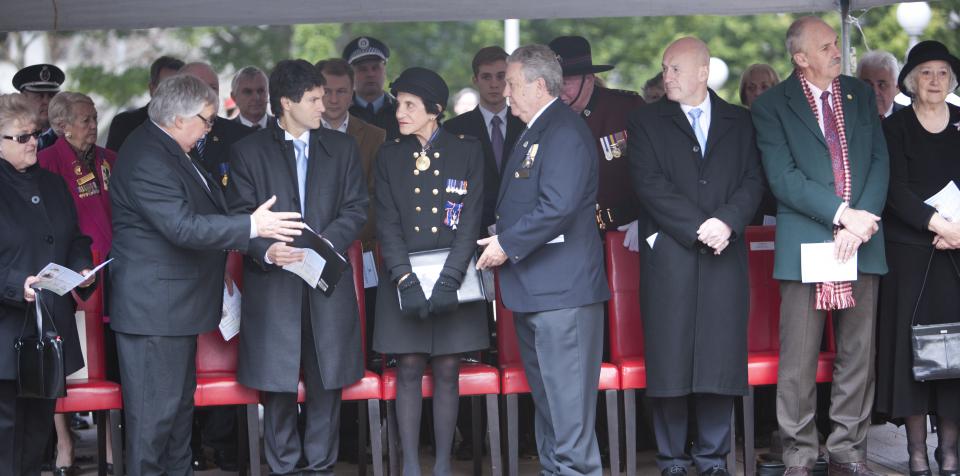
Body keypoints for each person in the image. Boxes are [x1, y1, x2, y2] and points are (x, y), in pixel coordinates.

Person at [108, 73, 304, 476]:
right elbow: (183, 227)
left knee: (177, 420)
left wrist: (261, 243)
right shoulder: (147, 155)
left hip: (173, 310)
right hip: (153, 312)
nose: (211, 127)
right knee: (152, 426)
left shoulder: (174, 149)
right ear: (179, 118)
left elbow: (211, 217)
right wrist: (253, 227)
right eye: (207, 119)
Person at [751, 16, 889, 476]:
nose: (837, 51)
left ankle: (848, 449)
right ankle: (799, 453)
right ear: (801, 58)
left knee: (858, 353)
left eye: (836, 43)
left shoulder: (859, 94)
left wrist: (858, 223)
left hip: (862, 239)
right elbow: (782, 177)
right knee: (799, 358)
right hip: (807, 242)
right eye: (827, 46)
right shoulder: (772, 105)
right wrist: (840, 214)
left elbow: (877, 160)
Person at [627, 37, 765, 476]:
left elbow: (753, 180)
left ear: (703, 73)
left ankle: (711, 459)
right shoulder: (647, 121)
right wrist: (697, 227)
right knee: (670, 358)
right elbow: (648, 183)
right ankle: (671, 460)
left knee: (718, 359)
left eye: (675, 69)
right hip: (671, 254)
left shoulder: (740, 122)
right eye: (665, 68)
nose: (666, 76)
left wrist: (726, 222)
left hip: (725, 253)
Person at [226, 58, 369, 475]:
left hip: (326, 279)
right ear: (286, 103)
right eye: (314, 99)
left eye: (323, 97)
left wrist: (323, 246)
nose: (323, 106)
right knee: (278, 385)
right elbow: (238, 217)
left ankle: (322, 465)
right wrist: (267, 251)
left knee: (328, 380)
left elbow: (357, 208)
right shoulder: (247, 151)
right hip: (274, 282)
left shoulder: (341, 148)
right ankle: (284, 467)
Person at [477, 44, 610, 476]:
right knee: (552, 412)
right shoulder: (539, 128)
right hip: (541, 291)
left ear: (537, 85)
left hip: (562, 294)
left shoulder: (563, 131)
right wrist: (503, 234)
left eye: (512, 83)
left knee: (568, 416)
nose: (504, 92)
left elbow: (557, 205)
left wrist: (505, 244)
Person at [372, 67, 487, 476]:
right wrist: (405, 279)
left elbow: (470, 221)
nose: (399, 112)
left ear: (435, 110)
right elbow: (386, 224)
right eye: (398, 104)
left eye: (409, 105)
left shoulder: (467, 151)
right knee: (407, 366)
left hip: (452, 277)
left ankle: (441, 464)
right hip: (405, 280)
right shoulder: (389, 155)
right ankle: (409, 465)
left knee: (448, 368)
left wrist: (450, 280)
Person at [875, 40, 960, 476]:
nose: (934, 81)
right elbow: (895, 192)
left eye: (942, 73)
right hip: (910, 257)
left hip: (956, 256)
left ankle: (948, 453)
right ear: (911, 80)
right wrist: (939, 225)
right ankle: (913, 454)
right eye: (926, 73)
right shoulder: (896, 127)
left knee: (952, 357)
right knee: (913, 358)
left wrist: (957, 232)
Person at [0, 92, 94, 476]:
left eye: (34, 134)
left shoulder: (54, 184)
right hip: (6, 331)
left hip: (47, 328)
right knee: (6, 430)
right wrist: (13, 283)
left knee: (38, 431)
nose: (32, 143)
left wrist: (82, 267)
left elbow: (75, 239)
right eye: (20, 137)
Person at [38, 92, 118, 474]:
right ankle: (65, 443)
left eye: (94, 116)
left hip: (114, 273)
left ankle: (108, 444)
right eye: (85, 119)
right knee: (63, 366)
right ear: (61, 126)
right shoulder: (46, 163)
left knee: (110, 363)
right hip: (70, 277)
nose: (93, 124)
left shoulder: (109, 160)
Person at [548, 35, 646, 249]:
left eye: (565, 83)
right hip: (568, 238)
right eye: (554, 84)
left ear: (589, 79)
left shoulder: (626, 108)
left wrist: (648, 221)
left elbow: (656, 171)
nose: (559, 92)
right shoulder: (549, 118)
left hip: (623, 232)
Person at [444, 46, 525, 232]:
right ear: (475, 80)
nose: (494, 84)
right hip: (472, 231)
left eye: (501, 76)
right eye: (486, 77)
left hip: (521, 228)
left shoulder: (526, 123)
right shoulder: (453, 130)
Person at [179, 62, 253, 189]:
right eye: (200, 88)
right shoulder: (169, 136)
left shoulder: (243, 137)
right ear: (180, 93)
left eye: (213, 88)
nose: (208, 94)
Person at [106, 56, 184, 152]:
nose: (173, 93)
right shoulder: (125, 124)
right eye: (166, 87)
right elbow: (111, 163)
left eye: (179, 87)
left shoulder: (193, 125)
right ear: (152, 89)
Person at [343, 36, 401, 140]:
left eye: (375, 67)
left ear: (384, 71)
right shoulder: (342, 112)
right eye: (362, 69)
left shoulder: (400, 110)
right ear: (351, 74)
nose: (370, 74)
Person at [12, 64, 65, 151]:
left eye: (51, 96)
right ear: (23, 99)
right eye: (39, 96)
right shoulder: (9, 139)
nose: (46, 102)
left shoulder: (70, 140)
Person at [857, 50, 905, 119]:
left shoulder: (912, 118)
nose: (874, 92)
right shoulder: (845, 119)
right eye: (867, 85)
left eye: (882, 85)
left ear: (897, 88)